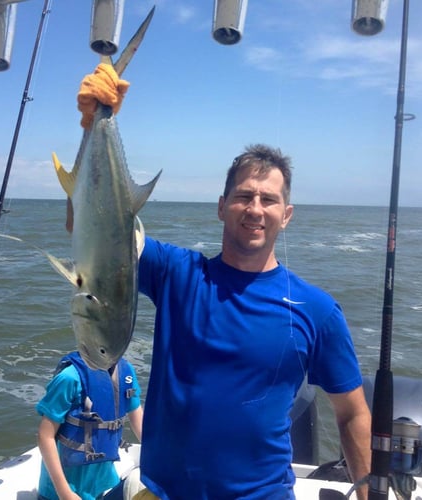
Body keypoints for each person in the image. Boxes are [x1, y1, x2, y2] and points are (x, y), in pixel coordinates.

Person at [73, 65, 371, 499]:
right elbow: (93, 236)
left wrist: (365, 492)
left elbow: (353, 412)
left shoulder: (317, 311)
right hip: (162, 491)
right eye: (243, 196)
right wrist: (91, 127)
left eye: (269, 199)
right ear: (221, 206)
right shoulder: (177, 273)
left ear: (286, 216)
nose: (255, 208)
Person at [36, 351, 143, 500]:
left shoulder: (126, 372)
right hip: (61, 491)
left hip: (103, 484)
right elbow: (45, 436)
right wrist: (65, 493)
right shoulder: (69, 378)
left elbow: (138, 419)